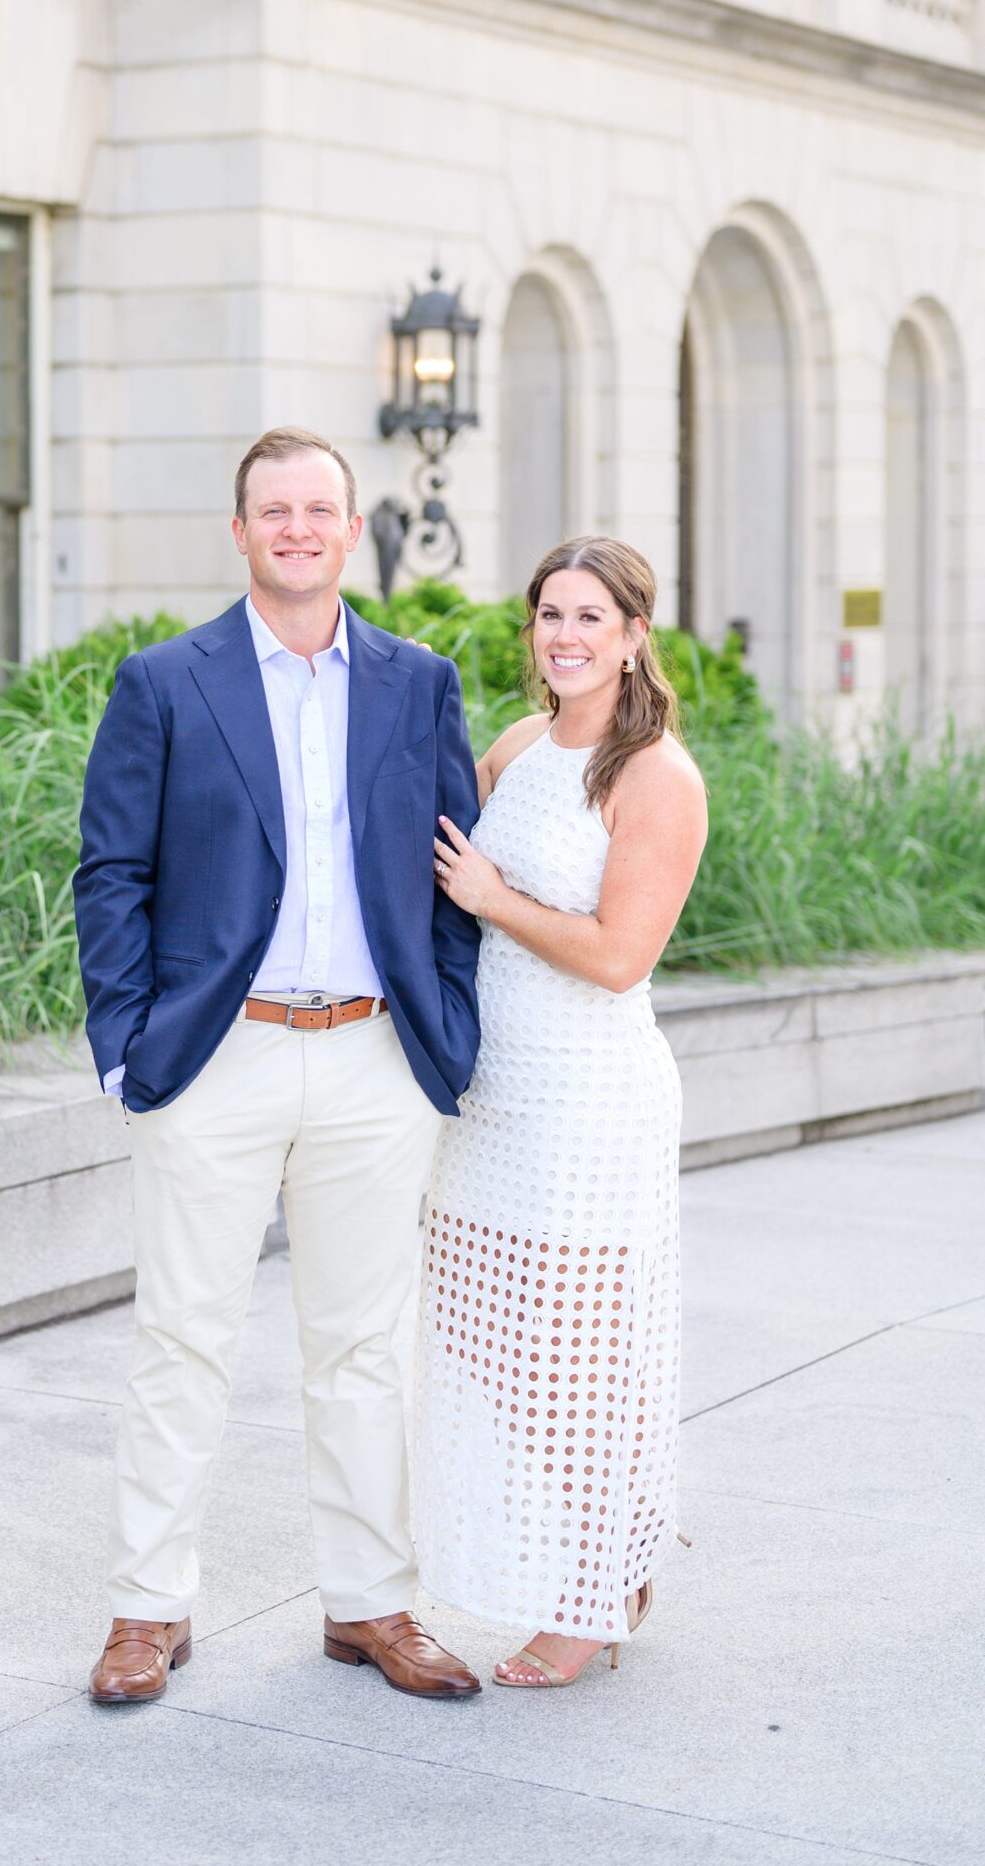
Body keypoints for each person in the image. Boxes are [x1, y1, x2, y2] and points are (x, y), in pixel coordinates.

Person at [72, 427, 484, 1706]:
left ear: (349, 531)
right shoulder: (163, 681)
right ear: (238, 532)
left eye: (318, 509)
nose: (297, 528)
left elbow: (453, 868)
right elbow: (110, 874)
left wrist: (445, 1033)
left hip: (371, 1057)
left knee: (363, 1350)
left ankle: (370, 1605)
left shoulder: (416, 682)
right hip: (215, 1058)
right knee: (179, 1341)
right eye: (273, 510)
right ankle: (149, 1609)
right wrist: (127, 1051)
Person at [421, 537, 708, 1688]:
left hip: (588, 1098)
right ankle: (616, 1548)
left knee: (573, 1349)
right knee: (494, 1348)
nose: (567, 636)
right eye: (550, 614)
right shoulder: (516, 747)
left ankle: (586, 1596)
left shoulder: (654, 777)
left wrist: (498, 897)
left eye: (592, 616)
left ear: (634, 635)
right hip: (492, 1096)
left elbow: (617, 955)